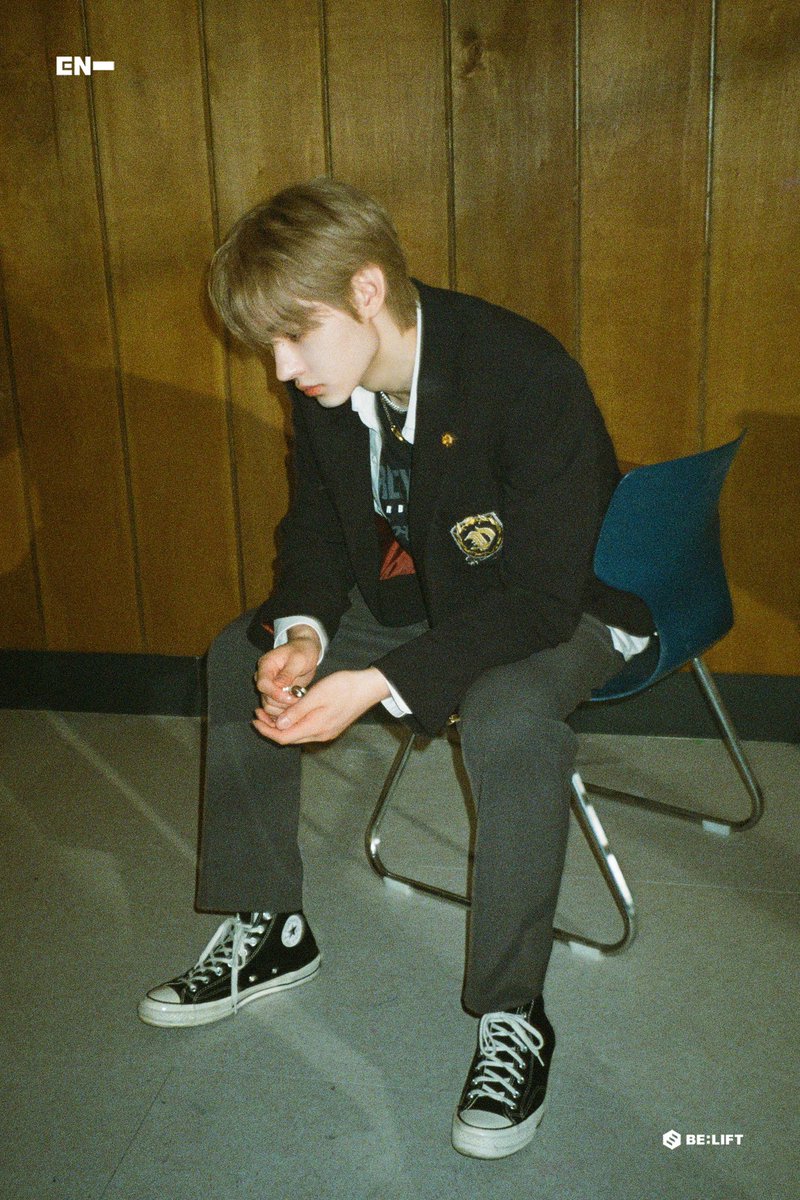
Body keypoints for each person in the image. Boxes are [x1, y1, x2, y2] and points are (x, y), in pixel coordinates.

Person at [137, 178, 652, 1160]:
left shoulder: (523, 374)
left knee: (506, 715)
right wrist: (304, 634)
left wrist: (378, 682)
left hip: (567, 601)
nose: (283, 368)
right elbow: (317, 527)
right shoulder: (329, 384)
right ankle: (271, 925)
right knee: (240, 654)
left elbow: (543, 599)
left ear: (367, 291)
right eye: (270, 347)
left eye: (296, 337)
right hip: (436, 594)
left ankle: (512, 1012)